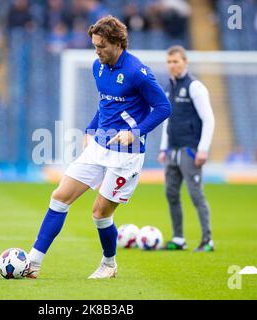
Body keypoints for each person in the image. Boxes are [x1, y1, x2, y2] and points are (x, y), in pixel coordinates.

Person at [17, 15, 171, 279]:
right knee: (59, 197)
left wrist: (135, 133)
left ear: (117, 43)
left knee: (100, 213)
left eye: (101, 46)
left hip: (126, 156)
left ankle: (109, 264)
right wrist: (90, 131)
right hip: (98, 147)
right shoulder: (97, 67)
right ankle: (33, 263)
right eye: (94, 46)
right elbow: (106, 104)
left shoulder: (137, 72)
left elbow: (163, 107)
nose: (96, 51)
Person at [158, 45, 215, 252]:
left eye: (176, 61)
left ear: (185, 62)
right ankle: (178, 239)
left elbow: (208, 119)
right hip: (172, 149)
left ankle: (207, 240)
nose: (172, 65)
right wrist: (163, 148)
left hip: (189, 149)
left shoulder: (195, 87)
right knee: (171, 194)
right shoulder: (169, 88)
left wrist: (203, 149)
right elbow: (167, 120)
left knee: (195, 194)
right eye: (169, 61)